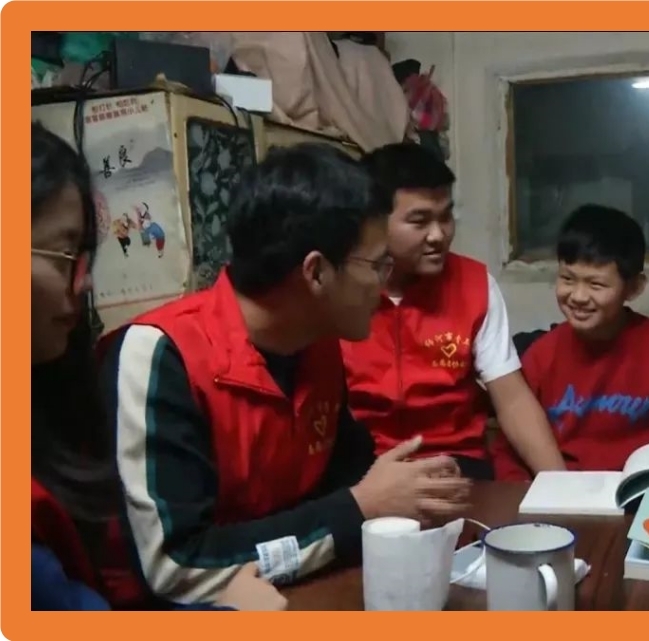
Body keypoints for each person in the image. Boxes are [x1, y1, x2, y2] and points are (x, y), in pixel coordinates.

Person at [98, 143, 471, 607]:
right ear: (316, 273)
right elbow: (176, 564)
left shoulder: (316, 346)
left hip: (291, 594)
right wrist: (361, 508)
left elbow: (348, 477)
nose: (383, 286)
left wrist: (411, 492)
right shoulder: (161, 357)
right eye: (377, 266)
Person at [30, 121, 285, 610]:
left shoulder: (53, 393)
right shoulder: (162, 350)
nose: (84, 283)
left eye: (84, 257)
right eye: (64, 253)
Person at [340, 142, 565, 480]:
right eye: (419, 221)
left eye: (445, 217)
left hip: (456, 464)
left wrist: (561, 485)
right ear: (373, 221)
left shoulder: (475, 284)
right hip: (366, 467)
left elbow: (512, 399)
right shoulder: (342, 288)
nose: (438, 235)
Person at [490, 205, 649, 501]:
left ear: (634, 287)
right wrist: (527, 497)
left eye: (596, 284)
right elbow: (507, 450)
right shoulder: (541, 355)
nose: (578, 296)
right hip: (566, 500)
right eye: (567, 279)